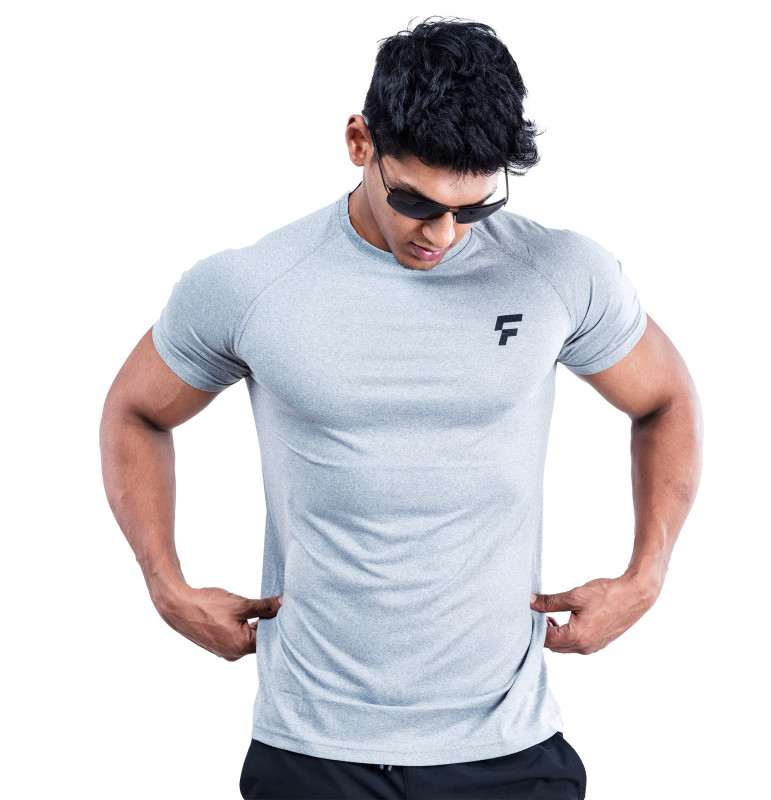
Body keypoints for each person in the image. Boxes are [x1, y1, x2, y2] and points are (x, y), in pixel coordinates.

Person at [99, 16, 703, 800]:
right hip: (314, 748)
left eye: (472, 208)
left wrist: (647, 573)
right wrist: (165, 583)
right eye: (416, 201)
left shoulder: (557, 273)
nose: (443, 235)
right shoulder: (252, 285)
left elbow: (665, 399)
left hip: (507, 746)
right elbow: (136, 411)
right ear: (360, 142)